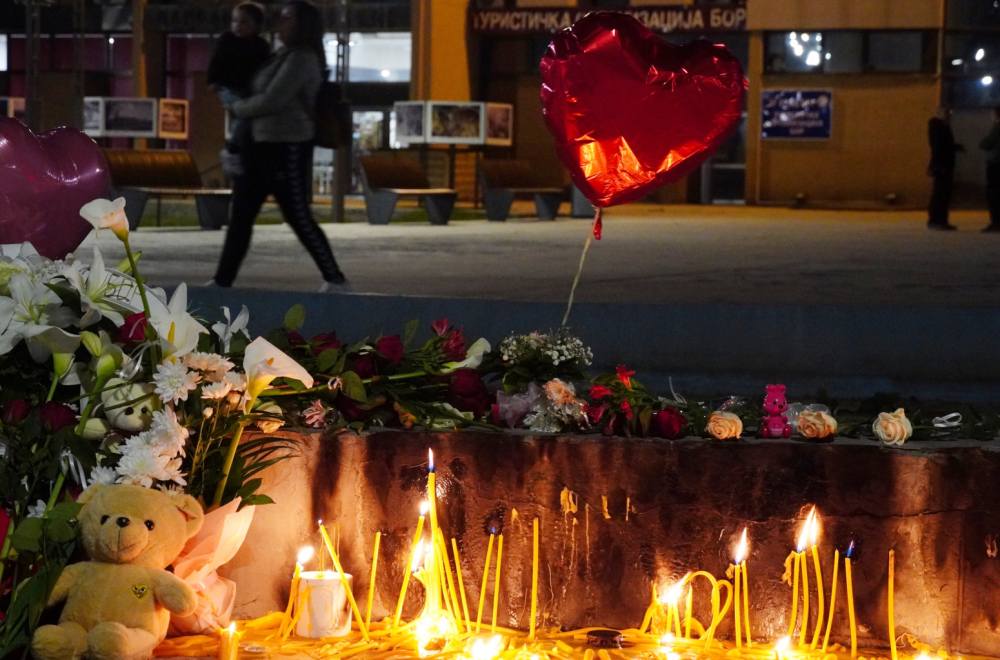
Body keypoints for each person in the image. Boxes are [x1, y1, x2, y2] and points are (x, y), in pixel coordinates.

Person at [211, 0, 350, 292]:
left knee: (298, 215)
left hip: (287, 148)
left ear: (303, 25)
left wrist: (238, 108)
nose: (279, 23)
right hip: (261, 146)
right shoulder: (281, 55)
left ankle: (335, 278)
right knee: (242, 215)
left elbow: (273, 99)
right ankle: (222, 281)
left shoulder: (303, 58)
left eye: (286, 18)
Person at [206, 2, 271, 175]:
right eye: (235, 21)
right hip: (230, 86)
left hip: (249, 89)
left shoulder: (260, 45)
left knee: (245, 119)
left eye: (244, 22)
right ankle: (234, 149)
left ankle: (238, 148)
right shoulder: (227, 40)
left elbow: (265, 67)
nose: (238, 26)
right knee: (243, 118)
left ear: (256, 26)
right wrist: (212, 80)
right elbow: (216, 61)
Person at [927, 105, 963, 231]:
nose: (949, 115)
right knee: (940, 194)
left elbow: (943, 145)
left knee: (944, 194)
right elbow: (937, 146)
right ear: (941, 112)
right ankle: (936, 220)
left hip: (945, 164)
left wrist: (954, 147)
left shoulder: (943, 126)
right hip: (942, 165)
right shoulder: (937, 127)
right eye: (947, 112)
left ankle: (941, 220)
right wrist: (937, 164)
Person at [981, 106, 1000, 233]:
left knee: (993, 193)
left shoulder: (997, 128)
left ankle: (996, 222)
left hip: (995, 163)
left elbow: (985, 143)